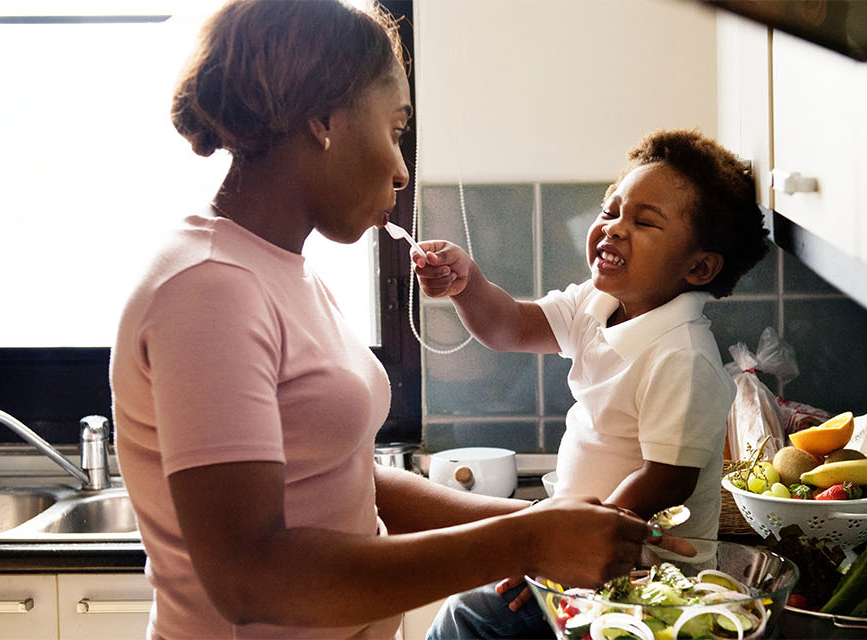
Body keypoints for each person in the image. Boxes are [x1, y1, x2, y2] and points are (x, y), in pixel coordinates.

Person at [108, 2, 689, 639]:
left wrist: (547, 520)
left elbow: (347, 478)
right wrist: (525, 538)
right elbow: (252, 576)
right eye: (394, 129)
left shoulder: (280, 270)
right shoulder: (208, 288)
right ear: (322, 121)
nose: (401, 168)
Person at [413, 129, 770, 639]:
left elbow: (667, 479)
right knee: (469, 610)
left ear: (699, 266)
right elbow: (510, 325)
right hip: (580, 550)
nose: (615, 229)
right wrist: (467, 283)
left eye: (644, 222)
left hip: (640, 575)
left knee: (469, 616)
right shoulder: (595, 304)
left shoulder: (682, 355)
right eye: (610, 211)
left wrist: (564, 543)